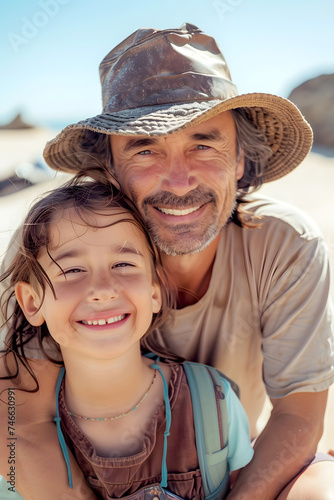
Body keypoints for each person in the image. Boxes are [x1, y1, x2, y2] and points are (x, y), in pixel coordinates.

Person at [1, 22, 334, 499]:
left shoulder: (286, 244)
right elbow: (17, 414)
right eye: (145, 147)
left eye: (204, 143)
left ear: (239, 159)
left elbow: (300, 413)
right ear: (110, 167)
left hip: (226, 459)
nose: (179, 181)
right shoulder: (54, 246)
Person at [0, 179, 253, 499]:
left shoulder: (212, 400)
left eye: (123, 264)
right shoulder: (16, 438)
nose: (103, 289)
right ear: (33, 303)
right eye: (73, 270)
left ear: (154, 292)